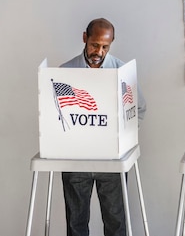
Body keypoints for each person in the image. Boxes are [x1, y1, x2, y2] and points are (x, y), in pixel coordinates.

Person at [60, 18, 147, 236]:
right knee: (75, 224)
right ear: (84, 38)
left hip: (111, 159)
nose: (99, 51)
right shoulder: (65, 72)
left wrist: (125, 137)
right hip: (76, 160)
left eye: (105, 46)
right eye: (94, 44)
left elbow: (140, 109)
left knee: (116, 222)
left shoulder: (122, 72)